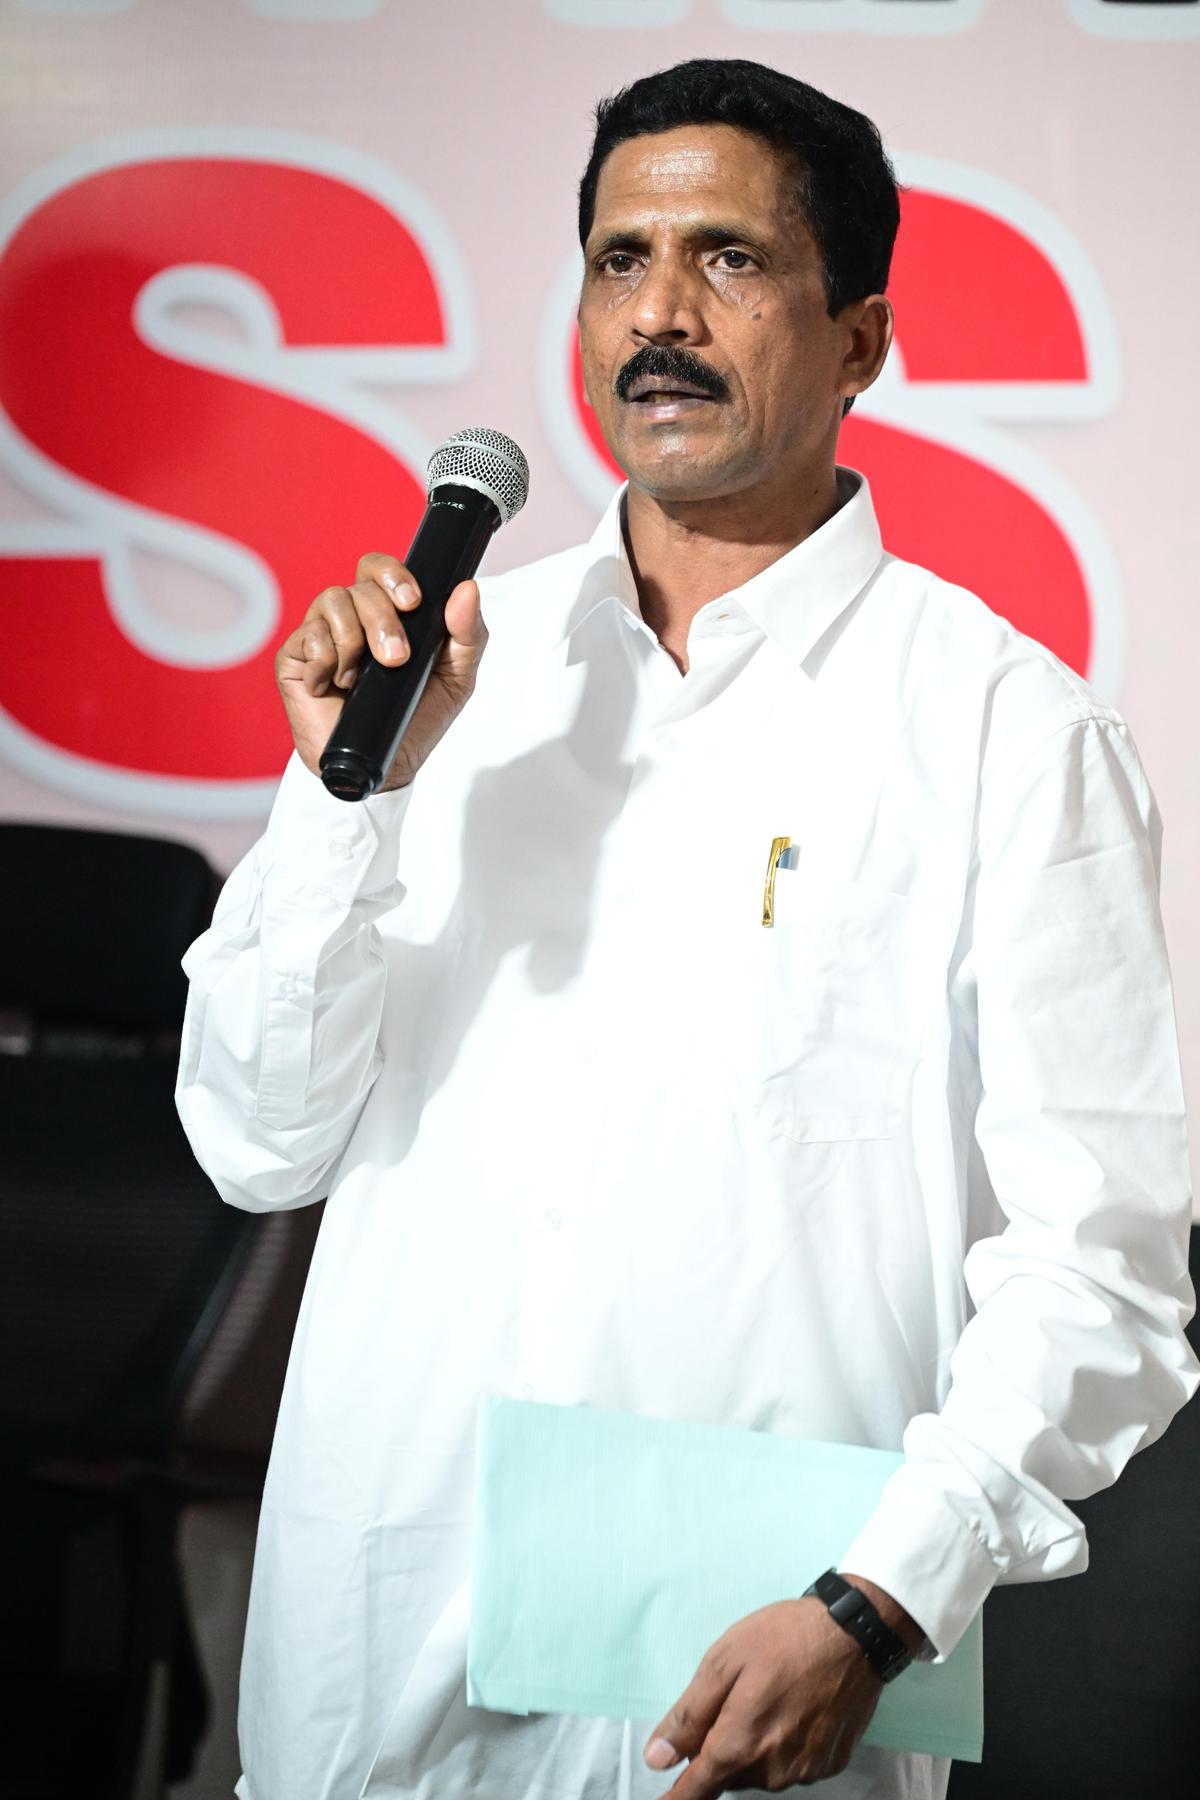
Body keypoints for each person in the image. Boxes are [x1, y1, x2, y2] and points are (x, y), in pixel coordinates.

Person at [175, 57, 1198, 1800]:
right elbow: (256, 1144)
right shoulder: (442, 684)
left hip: (745, 1672)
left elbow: (1100, 1267)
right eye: (616, 259)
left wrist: (881, 1603)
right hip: (374, 1646)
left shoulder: (1004, 733)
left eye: (727, 261)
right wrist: (355, 803)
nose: (657, 315)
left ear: (859, 339)